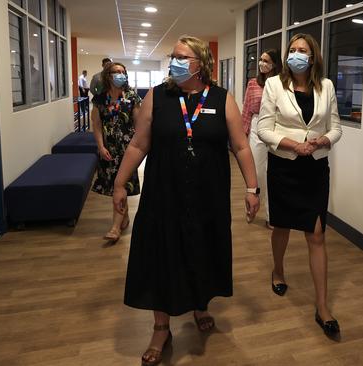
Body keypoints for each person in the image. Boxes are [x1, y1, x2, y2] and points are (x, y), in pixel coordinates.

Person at [113, 35, 259, 366]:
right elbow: (138, 144)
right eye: (173, 56)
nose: (174, 62)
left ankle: (200, 305)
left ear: (200, 65)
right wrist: (119, 184)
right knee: (161, 256)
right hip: (164, 195)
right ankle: (161, 328)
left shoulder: (222, 99)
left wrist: (252, 189)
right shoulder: (158, 96)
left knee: (203, 252)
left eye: (182, 57)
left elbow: (241, 146)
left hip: (208, 197)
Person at [257, 33, 342, 339]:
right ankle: (278, 270)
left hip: (316, 168)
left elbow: (336, 128)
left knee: (316, 233)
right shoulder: (274, 85)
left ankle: (322, 307)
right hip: (284, 166)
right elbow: (263, 129)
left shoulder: (327, 86)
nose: (296, 55)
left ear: (313, 56)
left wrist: (323, 140)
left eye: (302, 50)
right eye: (291, 50)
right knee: (281, 226)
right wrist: (293, 144)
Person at [90, 62, 142, 241]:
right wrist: (100, 146)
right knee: (115, 187)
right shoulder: (99, 99)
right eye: (116, 72)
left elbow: (138, 124)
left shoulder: (132, 97)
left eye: (123, 72)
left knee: (122, 185)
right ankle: (124, 216)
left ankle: (115, 227)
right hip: (108, 150)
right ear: (107, 75)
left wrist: (139, 149)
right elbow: (96, 125)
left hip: (128, 151)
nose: (120, 75)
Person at [241, 49, 282, 230]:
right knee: (257, 174)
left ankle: (271, 216)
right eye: (260, 60)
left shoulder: (282, 83)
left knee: (274, 175)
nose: (262, 63)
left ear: (275, 64)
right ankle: (251, 205)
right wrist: (243, 133)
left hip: (277, 127)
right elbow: (247, 109)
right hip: (257, 126)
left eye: (266, 60)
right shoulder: (253, 83)